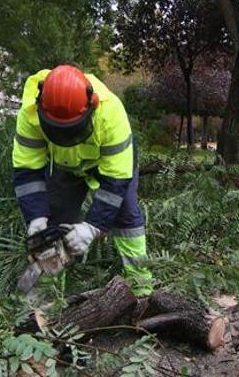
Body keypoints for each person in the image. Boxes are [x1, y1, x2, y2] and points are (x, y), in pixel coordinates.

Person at [12, 65, 152, 295]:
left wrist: (93, 226)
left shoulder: (111, 113)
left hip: (110, 163)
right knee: (55, 220)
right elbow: (27, 170)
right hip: (65, 165)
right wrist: (36, 217)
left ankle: (141, 287)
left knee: (126, 215)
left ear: (92, 107)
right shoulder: (29, 114)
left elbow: (115, 181)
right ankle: (50, 296)